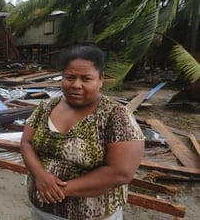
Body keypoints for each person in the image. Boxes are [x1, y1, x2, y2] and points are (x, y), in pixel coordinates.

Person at [20, 45, 145, 220]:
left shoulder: (116, 116)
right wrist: (40, 175)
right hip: (41, 210)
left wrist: (58, 189)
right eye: (70, 77)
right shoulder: (46, 107)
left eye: (86, 78)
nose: (76, 85)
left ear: (101, 80)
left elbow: (120, 173)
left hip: (93, 214)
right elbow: (26, 143)